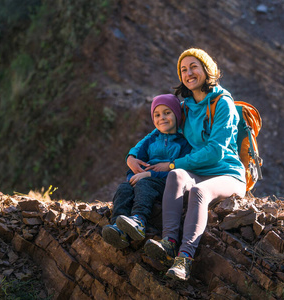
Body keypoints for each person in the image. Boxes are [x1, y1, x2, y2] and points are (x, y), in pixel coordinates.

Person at [126, 48, 246, 281]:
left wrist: (172, 164)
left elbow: (214, 152)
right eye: (183, 69)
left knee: (198, 190)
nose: (188, 73)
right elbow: (159, 129)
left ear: (206, 70)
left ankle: (185, 259)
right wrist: (131, 155)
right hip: (198, 171)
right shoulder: (187, 107)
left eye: (194, 67)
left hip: (228, 173)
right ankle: (168, 243)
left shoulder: (223, 104)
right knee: (177, 176)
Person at [102, 94, 191, 249]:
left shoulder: (183, 143)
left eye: (167, 113)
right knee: (124, 188)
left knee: (145, 185)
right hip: (143, 178)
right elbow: (137, 161)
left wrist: (150, 174)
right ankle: (118, 228)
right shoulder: (150, 140)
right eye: (157, 115)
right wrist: (133, 176)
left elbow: (181, 170)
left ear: (177, 115)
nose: (162, 118)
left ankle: (139, 221)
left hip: (165, 181)